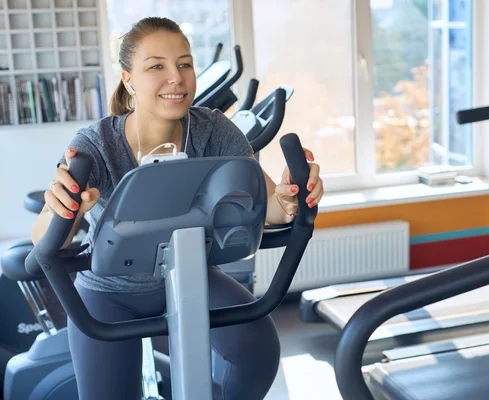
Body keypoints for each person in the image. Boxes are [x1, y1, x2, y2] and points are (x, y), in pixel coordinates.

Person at [30, 16, 324, 400]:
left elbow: (269, 203)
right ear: (129, 79)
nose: (177, 77)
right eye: (157, 66)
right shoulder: (96, 142)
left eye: (184, 64)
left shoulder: (214, 129)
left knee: (258, 352)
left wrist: (290, 197)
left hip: (192, 275)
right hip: (108, 291)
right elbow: (44, 238)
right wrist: (65, 210)